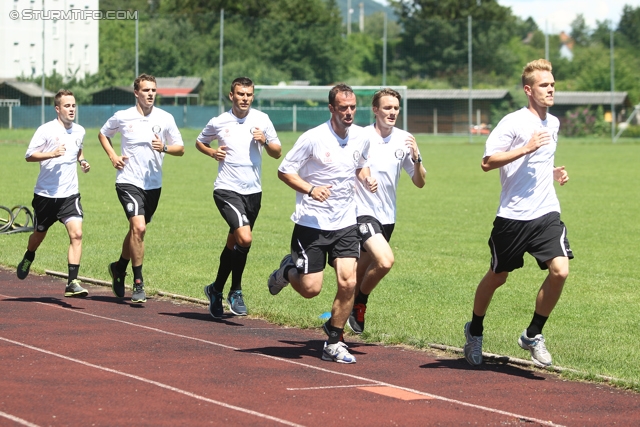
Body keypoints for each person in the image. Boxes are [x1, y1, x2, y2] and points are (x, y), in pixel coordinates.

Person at [463, 59, 572, 368]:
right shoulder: (513, 122)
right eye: (544, 85)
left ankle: (533, 334)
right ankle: (475, 330)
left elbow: (538, 162)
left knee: (560, 270)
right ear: (528, 89)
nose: (550, 89)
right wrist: (525, 148)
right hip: (512, 216)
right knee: (498, 277)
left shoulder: (554, 124)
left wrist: (553, 171)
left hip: (546, 213)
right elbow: (487, 161)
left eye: (552, 84)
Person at [268, 83, 377, 364]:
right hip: (312, 223)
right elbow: (284, 171)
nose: (349, 112)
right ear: (332, 109)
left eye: (352, 107)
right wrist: (310, 189)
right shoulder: (313, 138)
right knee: (311, 289)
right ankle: (286, 272)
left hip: (345, 222)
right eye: (343, 108)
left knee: (349, 281)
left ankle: (333, 341)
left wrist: (366, 178)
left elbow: (360, 165)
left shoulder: (361, 137)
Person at [196, 77, 282, 317]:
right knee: (244, 238)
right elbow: (199, 142)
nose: (245, 98)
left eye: (249, 94)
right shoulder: (219, 121)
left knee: (234, 243)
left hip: (253, 192)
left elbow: (277, 152)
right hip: (226, 190)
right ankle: (236, 290)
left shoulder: (262, 120)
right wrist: (212, 151)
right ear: (231, 95)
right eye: (240, 94)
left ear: (252, 96)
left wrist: (264, 141)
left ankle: (215, 289)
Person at [98, 73, 184, 304]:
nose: (150, 94)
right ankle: (138, 283)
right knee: (139, 228)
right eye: (146, 90)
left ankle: (119, 267)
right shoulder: (123, 116)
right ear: (136, 92)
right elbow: (103, 134)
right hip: (128, 180)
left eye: (153, 90)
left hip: (153, 185)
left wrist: (165, 147)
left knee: (137, 230)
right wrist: (112, 156)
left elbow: (181, 148)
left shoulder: (165, 118)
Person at [347, 88, 426, 335]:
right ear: (375, 110)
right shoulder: (360, 136)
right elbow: (353, 166)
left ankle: (337, 324)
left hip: (388, 217)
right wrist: (366, 178)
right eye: (387, 108)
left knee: (355, 277)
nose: (392, 112)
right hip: (362, 211)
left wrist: (416, 159)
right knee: (385, 261)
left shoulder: (405, 139)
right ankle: (361, 303)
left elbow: (420, 181)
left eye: (395, 108)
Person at [16, 89, 91, 297]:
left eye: (74, 105)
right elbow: (29, 155)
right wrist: (52, 153)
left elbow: (78, 149)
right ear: (57, 109)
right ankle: (29, 256)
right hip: (46, 195)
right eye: (67, 106)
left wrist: (82, 160)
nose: (72, 109)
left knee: (77, 233)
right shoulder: (45, 130)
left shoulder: (80, 130)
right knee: (39, 235)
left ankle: (72, 282)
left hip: (70, 194)